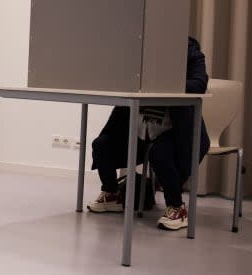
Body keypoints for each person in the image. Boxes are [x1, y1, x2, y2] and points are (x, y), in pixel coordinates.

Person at [87, 36, 210, 230]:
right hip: (140, 128)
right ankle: (112, 194)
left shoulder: (188, 51)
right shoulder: (137, 50)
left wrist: (158, 84)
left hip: (178, 133)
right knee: (101, 145)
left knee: (160, 153)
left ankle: (177, 207)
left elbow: (199, 83)